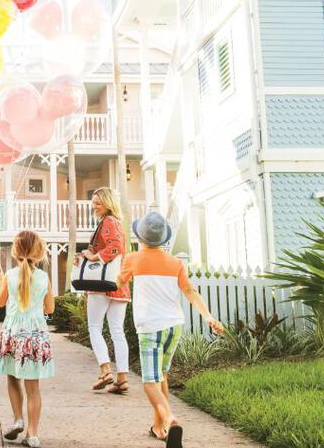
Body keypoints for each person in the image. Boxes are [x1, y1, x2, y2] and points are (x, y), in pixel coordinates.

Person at [117, 212, 224, 448]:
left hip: (150, 327)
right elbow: (190, 292)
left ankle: (170, 418)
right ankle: (159, 428)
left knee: (149, 381)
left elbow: (119, 283)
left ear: (140, 237)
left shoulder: (132, 259)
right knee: (162, 375)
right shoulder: (176, 263)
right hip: (174, 325)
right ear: (163, 239)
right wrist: (208, 317)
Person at [0, 230, 55, 448]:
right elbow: (50, 307)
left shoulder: (9, 275)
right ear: (39, 252)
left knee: (12, 377)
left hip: (13, 332)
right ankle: (33, 434)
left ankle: (18, 419)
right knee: (33, 386)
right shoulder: (44, 278)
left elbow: (0, 302)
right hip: (35, 335)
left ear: (15, 252)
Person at [76, 186, 131, 394]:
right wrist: (89, 253)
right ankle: (122, 379)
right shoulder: (116, 223)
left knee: (94, 327)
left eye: (98, 203)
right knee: (118, 331)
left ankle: (106, 371)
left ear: (108, 203)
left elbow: (115, 247)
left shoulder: (108, 222)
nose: (94, 207)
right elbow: (116, 247)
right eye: (93, 203)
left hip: (102, 284)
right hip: (119, 284)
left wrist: (93, 257)